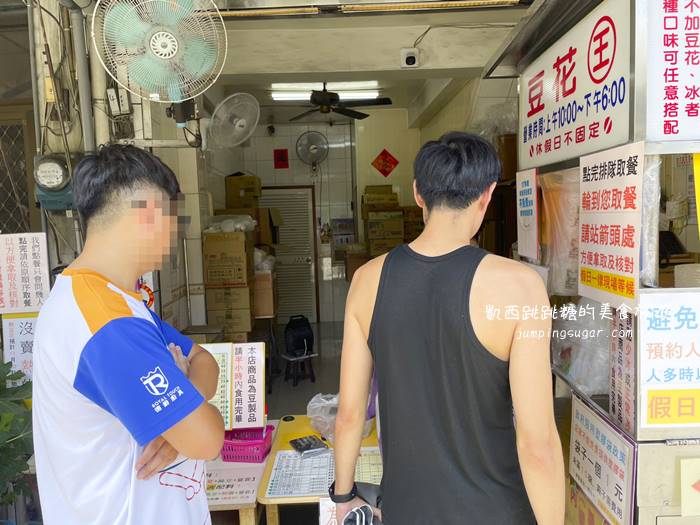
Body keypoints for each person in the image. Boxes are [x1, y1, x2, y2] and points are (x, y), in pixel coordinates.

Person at [332, 132, 565, 524]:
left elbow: (351, 414)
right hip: (497, 511)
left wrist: (343, 495)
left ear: (418, 194)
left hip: (407, 511)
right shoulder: (521, 286)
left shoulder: (367, 280)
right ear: (487, 195)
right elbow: (537, 442)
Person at [32, 145, 225, 525]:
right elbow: (207, 439)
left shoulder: (109, 301)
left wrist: (177, 421)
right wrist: (187, 420)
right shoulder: (107, 322)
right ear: (151, 215)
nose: (176, 231)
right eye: (174, 217)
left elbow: (204, 361)